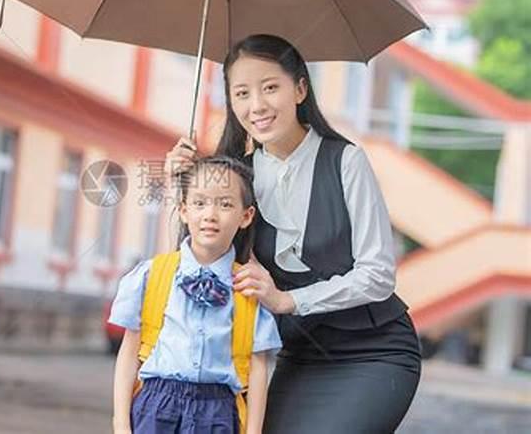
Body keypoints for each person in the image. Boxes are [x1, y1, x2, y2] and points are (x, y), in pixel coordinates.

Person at [165, 35, 422, 433]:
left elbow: (378, 275)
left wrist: (288, 300)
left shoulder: (346, 161)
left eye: (270, 87)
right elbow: (198, 272)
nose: (257, 106)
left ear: (300, 88)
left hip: (374, 351)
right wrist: (180, 186)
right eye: (242, 93)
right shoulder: (235, 176)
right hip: (297, 355)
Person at [110, 156, 281, 434]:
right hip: (155, 407)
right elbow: (129, 353)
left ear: (246, 216)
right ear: (183, 210)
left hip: (218, 413)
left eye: (225, 204)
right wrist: (121, 424)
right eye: (199, 203)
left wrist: (253, 431)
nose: (210, 214)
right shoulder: (152, 274)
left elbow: (258, 369)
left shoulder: (248, 287)